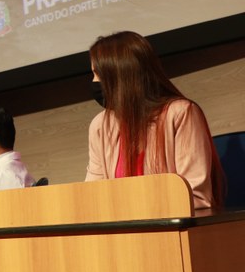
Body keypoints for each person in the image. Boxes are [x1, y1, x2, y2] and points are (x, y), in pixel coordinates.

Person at [86, 30, 223, 209]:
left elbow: (194, 194)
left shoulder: (180, 113)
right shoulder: (100, 125)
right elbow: (93, 195)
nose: (94, 81)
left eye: (97, 74)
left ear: (120, 75)